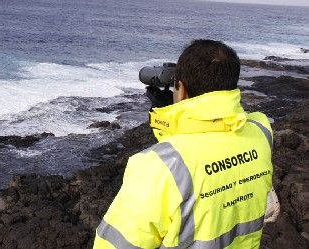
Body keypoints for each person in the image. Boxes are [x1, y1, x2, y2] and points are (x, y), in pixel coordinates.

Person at [94, 39, 273, 249]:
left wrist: (168, 114)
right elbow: (205, 142)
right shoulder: (261, 130)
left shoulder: (157, 167)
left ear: (181, 89)